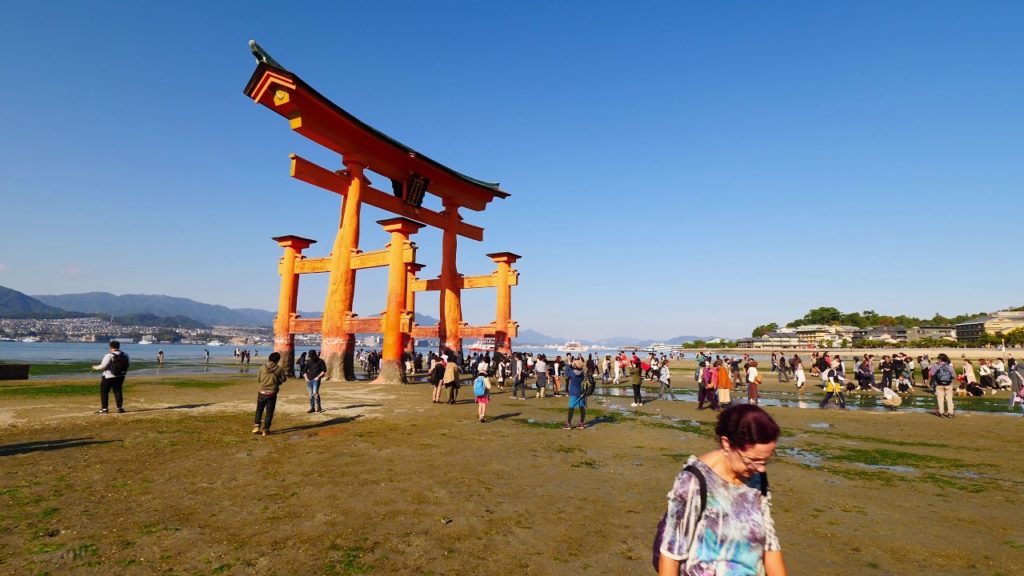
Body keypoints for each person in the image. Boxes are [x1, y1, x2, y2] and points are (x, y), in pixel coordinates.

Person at [656, 405, 786, 576]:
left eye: (765, 460)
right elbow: (671, 555)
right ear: (727, 443)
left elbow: (769, 543)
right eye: (753, 460)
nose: (761, 468)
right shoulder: (695, 482)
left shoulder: (757, 476)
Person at [253, 351, 288, 436]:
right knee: (269, 412)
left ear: (269, 358)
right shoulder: (279, 369)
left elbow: (258, 379)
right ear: (278, 360)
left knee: (259, 410)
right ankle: (266, 430)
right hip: (272, 392)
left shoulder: (262, 367)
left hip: (262, 392)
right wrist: (278, 381)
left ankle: (256, 426)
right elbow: (284, 379)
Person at [92, 341, 129, 414]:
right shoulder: (125, 355)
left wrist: (94, 367)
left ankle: (104, 409)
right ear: (119, 346)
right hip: (121, 376)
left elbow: (102, 366)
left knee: (104, 392)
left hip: (108, 376)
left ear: (110, 347)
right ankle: (119, 408)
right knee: (118, 391)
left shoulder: (109, 355)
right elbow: (128, 364)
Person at [930, 353, 956, 418]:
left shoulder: (935, 365)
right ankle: (950, 413)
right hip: (948, 384)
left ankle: (941, 413)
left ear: (939, 359)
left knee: (940, 399)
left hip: (938, 384)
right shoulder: (949, 366)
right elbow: (954, 376)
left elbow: (932, 374)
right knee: (949, 399)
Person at [564, 359, 587, 429]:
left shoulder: (572, 373)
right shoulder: (583, 373)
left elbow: (566, 371)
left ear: (575, 366)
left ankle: (568, 424)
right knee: (582, 408)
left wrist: (570, 365)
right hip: (581, 392)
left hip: (573, 393)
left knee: (571, 408)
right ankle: (581, 423)